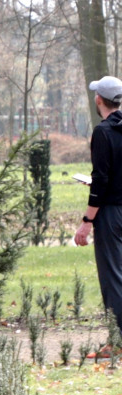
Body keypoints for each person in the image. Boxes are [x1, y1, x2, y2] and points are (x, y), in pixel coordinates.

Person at [76, 76, 122, 358]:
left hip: (111, 214)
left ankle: (117, 342)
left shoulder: (102, 133)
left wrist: (86, 221)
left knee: (113, 277)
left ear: (99, 100)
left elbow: (102, 180)